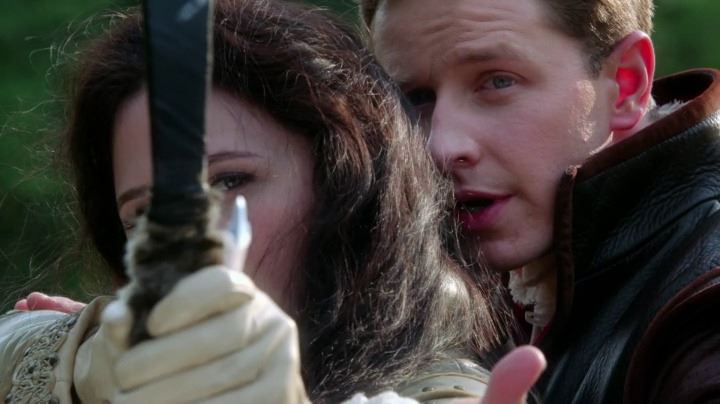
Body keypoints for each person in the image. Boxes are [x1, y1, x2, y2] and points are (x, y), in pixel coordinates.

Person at [2, 0, 546, 403]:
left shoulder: (446, 387)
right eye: (145, 213)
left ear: (344, 186)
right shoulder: (95, 348)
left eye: (229, 182)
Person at [360, 0, 720, 402]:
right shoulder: (432, 270)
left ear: (626, 84)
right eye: (414, 98)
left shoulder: (706, 314)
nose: (442, 147)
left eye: (498, 81)